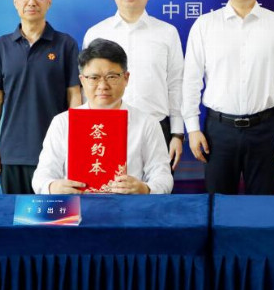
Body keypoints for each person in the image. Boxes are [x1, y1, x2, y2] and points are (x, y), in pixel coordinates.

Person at [183, 0, 274, 195]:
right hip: (218, 132)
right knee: (218, 205)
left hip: (266, 130)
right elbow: (191, 82)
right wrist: (192, 129)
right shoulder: (205, 25)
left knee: (260, 204)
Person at [32, 38, 173, 194]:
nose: (103, 86)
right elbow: (41, 176)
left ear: (126, 78)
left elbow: (163, 177)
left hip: (127, 206)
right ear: (82, 80)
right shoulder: (63, 122)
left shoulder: (147, 123)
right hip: (76, 206)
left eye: (112, 77)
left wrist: (145, 188)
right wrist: (52, 186)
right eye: (94, 78)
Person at [0, 0, 81, 194]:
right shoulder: (2, 46)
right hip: (12, 153)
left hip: (56, 152)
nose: (31, 1)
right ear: (15, 0)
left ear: (49, 1)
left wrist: (74, 146)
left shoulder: (65, 44)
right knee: (17, 213)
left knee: (56, 214)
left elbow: (74, 95)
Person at [83, 0, 185, 170]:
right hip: (105, 129)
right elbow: (88, 86)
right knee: (106, 190)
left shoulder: (167, 33)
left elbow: (176, 84)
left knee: (157, 188)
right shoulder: (95, 33)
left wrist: (177, 133)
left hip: (156, 128)